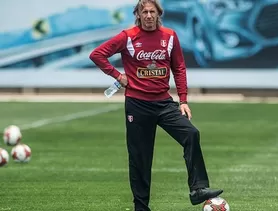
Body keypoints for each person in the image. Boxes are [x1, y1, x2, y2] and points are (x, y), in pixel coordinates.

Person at [89, 0, 223, 210]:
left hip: (164, 103)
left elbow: (179, 67)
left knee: (191, 134)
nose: (149, 15)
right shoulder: (128, 37)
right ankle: (141, 208)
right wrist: (117, 75)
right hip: (137, 105)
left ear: (159, 14)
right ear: (138, 14)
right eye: (145, 12)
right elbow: (97, 54)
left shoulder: (169, 36)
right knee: (140, 158)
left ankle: (198, 189)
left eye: (152, 11)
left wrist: (183, 100)